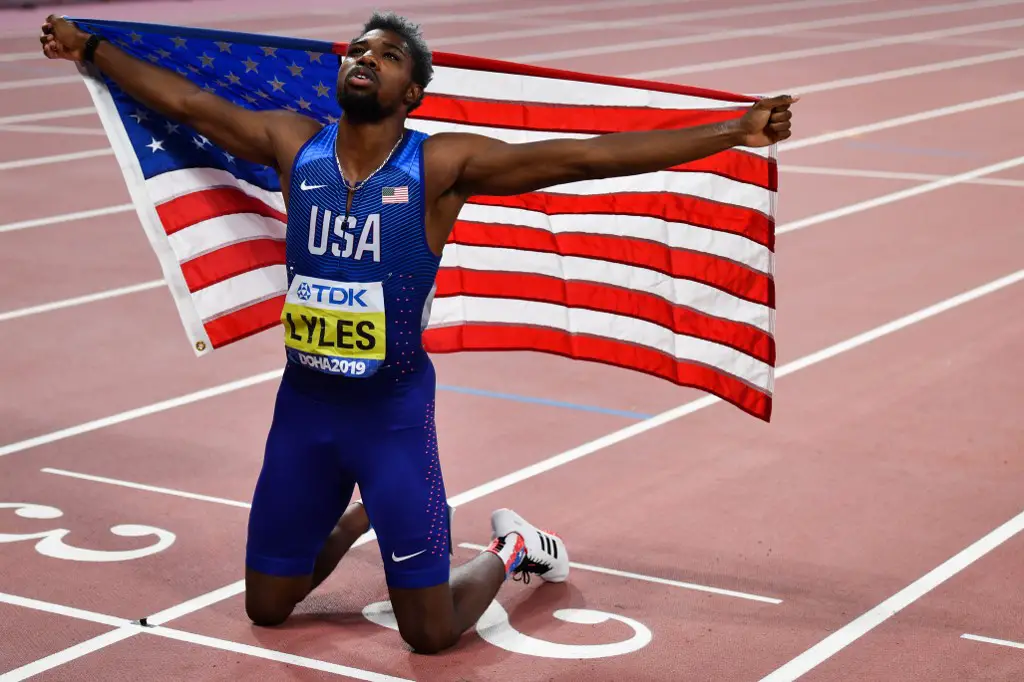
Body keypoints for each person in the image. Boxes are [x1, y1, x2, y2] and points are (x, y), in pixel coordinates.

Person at [40, 11, 795, 654]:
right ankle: (361, 514)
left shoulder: (438, 165)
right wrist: (92, 51)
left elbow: (580, 156)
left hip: (390, 419)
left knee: (428, 636)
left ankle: (515, 547)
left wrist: (733, 129)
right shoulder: (290, 141)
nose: (366, 59)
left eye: (388, 55)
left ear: (413, 92)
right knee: (267, 609)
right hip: (302, 413)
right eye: (359, 50)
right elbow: (188, 102)